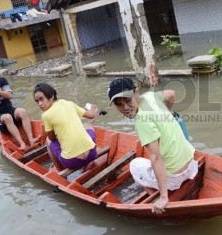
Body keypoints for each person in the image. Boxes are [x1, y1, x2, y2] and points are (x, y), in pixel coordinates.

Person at [108, 77, 197, 214]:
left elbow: (156, 157)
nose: (125, 107)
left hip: (176, 176)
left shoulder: (142, 121)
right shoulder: (151, 96)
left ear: (136, 92)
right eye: (119, 104)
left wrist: (164, 197)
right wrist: (167, 113)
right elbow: (171, 93)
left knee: (135, 165)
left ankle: (156, 198)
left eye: (127, 100)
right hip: (192, 164)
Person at [33, 83, 99, 172]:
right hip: (92, 154)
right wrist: (93, 110)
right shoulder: (69, 103)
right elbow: (91, 115)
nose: (40, 104)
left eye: (42, 99)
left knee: (48, 140)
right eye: (37, 101)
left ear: (51, 96)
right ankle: (87, 165)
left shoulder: (45, 115)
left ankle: (59, 170)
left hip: (72, 162)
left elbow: (52, 138)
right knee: (88, 126)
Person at [0, 61, 40, 149]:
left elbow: (9, 96)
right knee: (7, 117)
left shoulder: (2, 81)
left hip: (9, 109)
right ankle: (22, 144)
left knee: (22, 111)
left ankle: (31, 139)